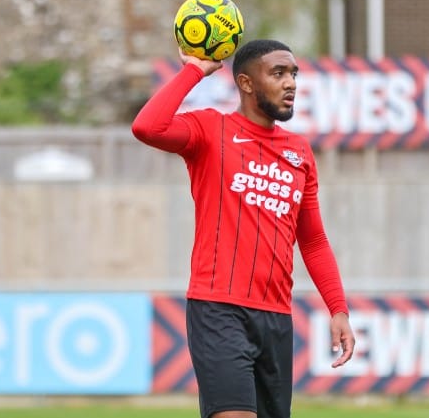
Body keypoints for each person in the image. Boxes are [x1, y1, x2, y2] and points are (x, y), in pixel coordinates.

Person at [131, 39, 355, 418]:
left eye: (294, 74)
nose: (291, 83)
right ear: (247, 83)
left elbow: (313, 241)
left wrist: (338, 309)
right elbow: (147, 127)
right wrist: (193, 71)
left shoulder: (299, 152)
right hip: (218, 310)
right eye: (279, 73)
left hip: (276, 317)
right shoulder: (208, 130)